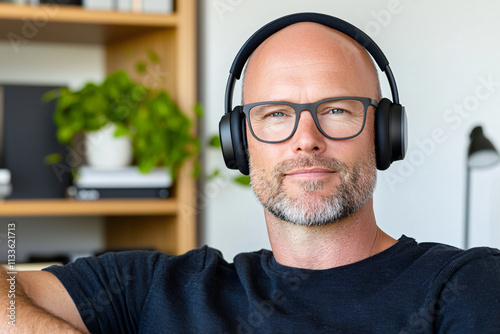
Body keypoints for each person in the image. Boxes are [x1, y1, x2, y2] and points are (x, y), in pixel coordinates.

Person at [2, 14, 500, 334]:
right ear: (239, 144)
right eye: (276, 114)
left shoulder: (469, 286)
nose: (307, 138)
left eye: (338, 110)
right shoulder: (151, 286)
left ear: (385, 134)